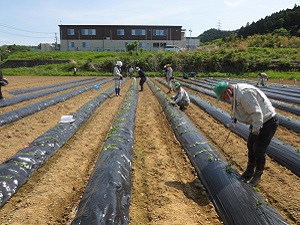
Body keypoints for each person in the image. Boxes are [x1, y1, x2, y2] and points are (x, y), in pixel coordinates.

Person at [213, 81, 279, 187]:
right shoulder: (234, 94)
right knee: (250, 145)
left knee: (258, 150)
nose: (223, 99)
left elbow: (257, 113)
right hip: (256, 121)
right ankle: (249, 172)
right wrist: (233, 121)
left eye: (223, 96)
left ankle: (258, 175)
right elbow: (236, 108)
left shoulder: (244, 93)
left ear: (228, 91)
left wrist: (256, 131)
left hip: (267, 122)